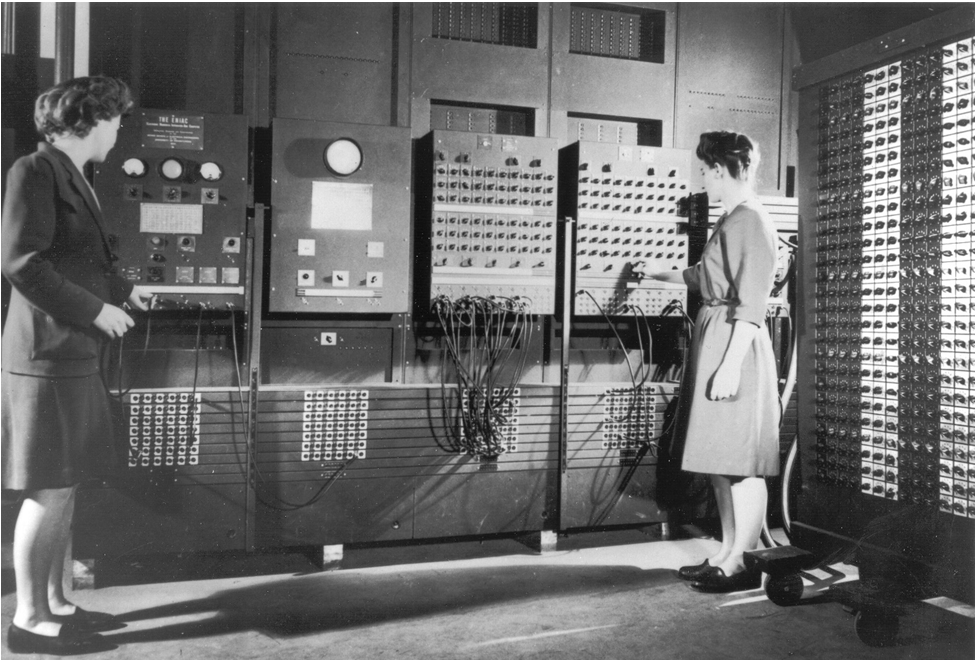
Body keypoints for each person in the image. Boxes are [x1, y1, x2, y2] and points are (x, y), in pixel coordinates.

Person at [1, 76, 152, 654]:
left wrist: (124, 289)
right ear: (89, 121)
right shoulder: (33, 172)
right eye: (116, 121)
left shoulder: (72, 176)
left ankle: (57, 602)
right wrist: (97, 310)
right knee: (49, 489)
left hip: (71, 353)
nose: (119, 132)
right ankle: (29, 622)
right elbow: (22, 262)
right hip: (46, 354)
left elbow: (77, 255)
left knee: (65, 486)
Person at [642, 131, 780, 593]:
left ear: (722, 170)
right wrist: (653, 273)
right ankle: (726, 552)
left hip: (735, 345)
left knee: (741, 462)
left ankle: (742, 561)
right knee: (718, 458)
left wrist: (728, 364)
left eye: (706, 170)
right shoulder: (732, 219)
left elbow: (753, 304)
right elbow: (702, 276)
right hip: (717, 336)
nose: (703, 178)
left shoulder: (751, 221)